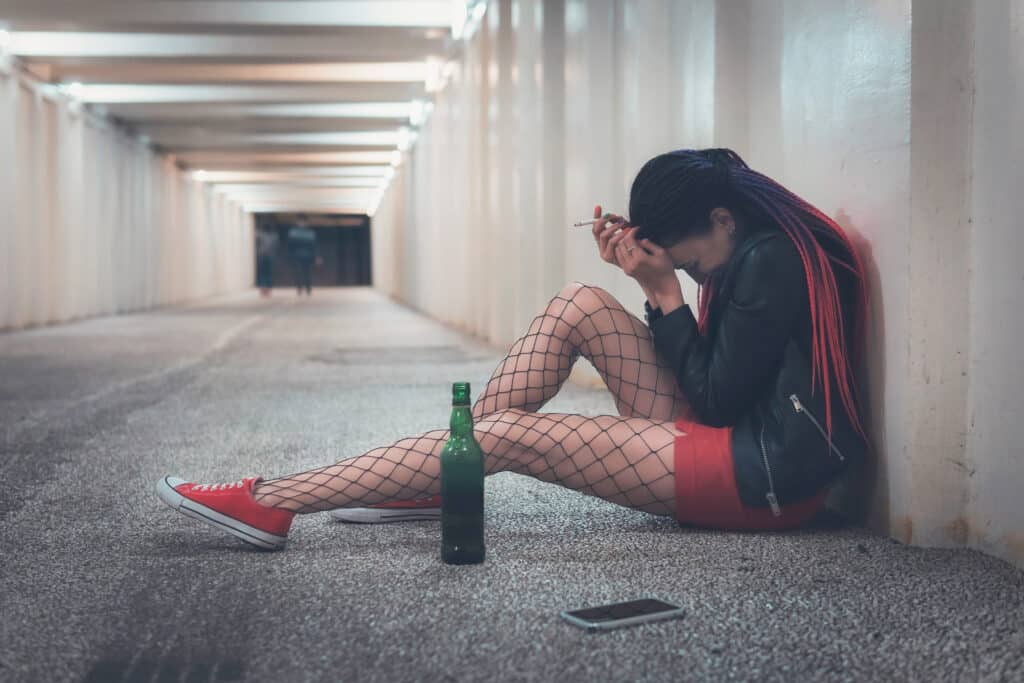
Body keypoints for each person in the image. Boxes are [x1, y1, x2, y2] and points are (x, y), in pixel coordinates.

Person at [156, 148, 869, 550]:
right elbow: (721, 387)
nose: (688, 271)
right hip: (731, 437)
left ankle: (272, 499)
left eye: (688, 258)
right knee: (578, 302)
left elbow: (714, 397)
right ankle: (442, 477)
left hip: (764, 480)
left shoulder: (770, 261)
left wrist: (665, 297)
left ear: (721, 218)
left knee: (508, 437)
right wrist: (656, 278)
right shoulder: (755, 245)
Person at [287, 218, 317, 296]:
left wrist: (316, 256)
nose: (302, 224)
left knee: (307, 273)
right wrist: (290, 255)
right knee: (298, 273)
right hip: (297, 256)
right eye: (300, 222)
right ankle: (299, 288)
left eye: (303, 222)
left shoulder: (310, 233)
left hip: (308, 256)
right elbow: (290, 246)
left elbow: (313, 246)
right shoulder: (293, 232)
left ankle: (308, 288)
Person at [255, 228, 278, 297]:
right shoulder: (274, 237)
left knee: (264, 273)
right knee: (267, 273)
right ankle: (266, 289)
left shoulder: (260, 235)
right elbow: (276, 246)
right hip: (268, 256)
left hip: (263, 256)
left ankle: (264, 289)